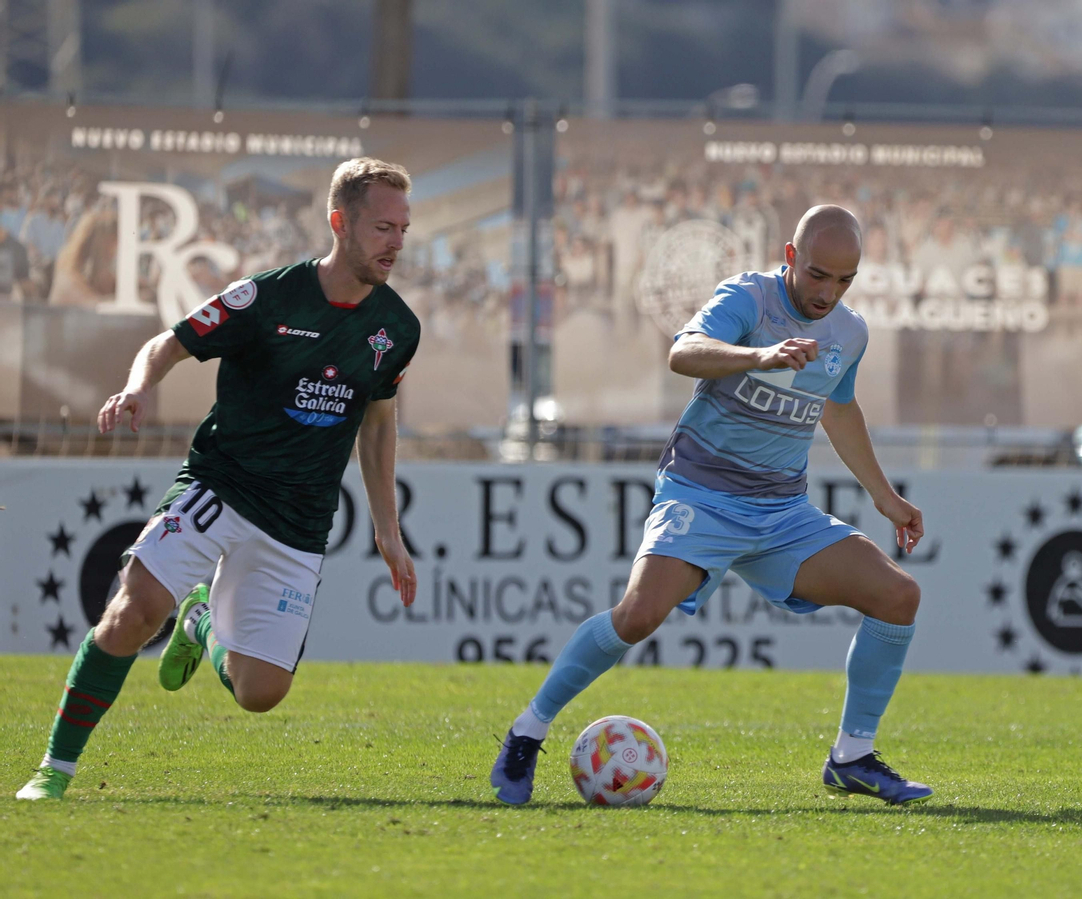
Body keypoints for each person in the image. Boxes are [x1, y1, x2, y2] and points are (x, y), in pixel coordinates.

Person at [490, 205, 933, 806]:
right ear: (790, 256)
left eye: (844, 280)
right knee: (638, 616)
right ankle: (527, 732)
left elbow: (839, 407)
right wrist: (760, 355)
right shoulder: (749, 298)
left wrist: (885, 497)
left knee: (898, 595)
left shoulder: (849, 333)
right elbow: (685, 351)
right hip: (702, 494)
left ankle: (852, 756)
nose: (828, 292)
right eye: (818, 275)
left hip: (780, 512)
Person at [16, 158, 422, 800]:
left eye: (403, 228)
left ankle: (201, 620)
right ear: (339, 223)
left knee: (261, 694)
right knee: (131, 613)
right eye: (382, 228)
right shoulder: (266, 297)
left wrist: (388, 531)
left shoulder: (397, 329)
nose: (397, 242)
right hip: (221, 486)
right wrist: (138, 387)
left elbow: (378, 425)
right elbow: (169, 342)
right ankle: (54, 771)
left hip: (299, 520)